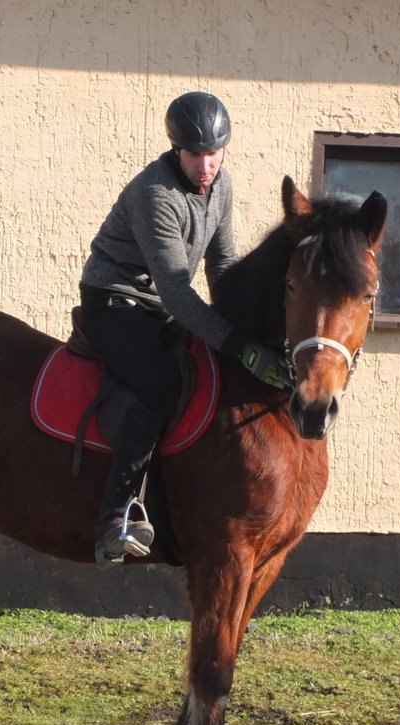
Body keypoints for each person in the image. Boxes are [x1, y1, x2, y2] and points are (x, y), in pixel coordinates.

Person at [75, 91, 290, 568]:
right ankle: (117, 517)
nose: (206, 164)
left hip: (159, 310)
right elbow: (176, 291)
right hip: (114, 303)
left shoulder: (221, 187)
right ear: (177, 149)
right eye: (196, 154)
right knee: (162, 383)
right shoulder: (156, 195)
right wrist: (242, 348)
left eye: (215, 152)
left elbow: (224, 265)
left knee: (206, 370)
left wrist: (249, 336)